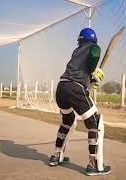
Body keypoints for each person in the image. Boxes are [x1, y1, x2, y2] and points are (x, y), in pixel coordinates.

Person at [49, 28, 111, 176]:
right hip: (74, 87)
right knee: (95, 123)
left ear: (80, 40)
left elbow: (78, 71)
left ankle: (57, 156)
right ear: (93, 39)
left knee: (68, 122)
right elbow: (95, 54)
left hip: (61, 87)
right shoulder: (93, 47)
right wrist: (94, 72)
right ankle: (94, 165)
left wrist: (91, 79)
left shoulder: (76, 51)